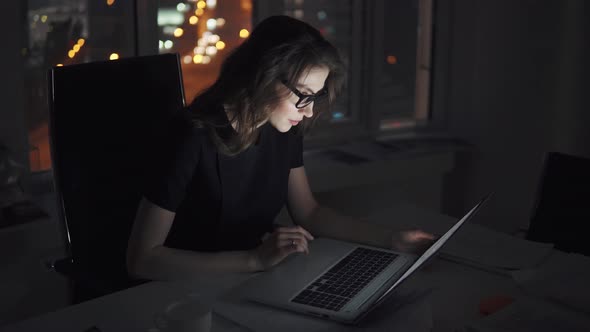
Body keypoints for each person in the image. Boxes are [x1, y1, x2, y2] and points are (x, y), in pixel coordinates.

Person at [126, 15, 434, 281]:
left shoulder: (282, 127)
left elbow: (309, 213)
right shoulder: (190, 136)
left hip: (242, 282)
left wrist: (392, 239)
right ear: (264, 74)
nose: (309, 111)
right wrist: (255, 260)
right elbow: (142, 261)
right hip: (178, 295)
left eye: (314, 98)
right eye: (303, 95)